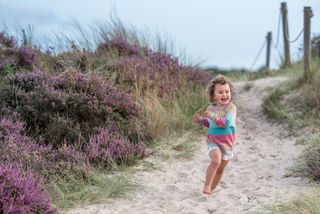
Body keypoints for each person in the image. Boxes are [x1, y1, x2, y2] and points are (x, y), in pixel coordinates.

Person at [193, 74, 237, 196]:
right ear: (213, 95)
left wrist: (211, 116)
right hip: (213, 140)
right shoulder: (210, 108)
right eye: (220, 92)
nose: (224, 94)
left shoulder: (231, 108)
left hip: (228, 143)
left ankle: (211, 190)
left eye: (227, 91)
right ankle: (206, 185)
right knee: (216, 161)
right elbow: (211, 123)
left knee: (220, 169)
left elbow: (226, 123)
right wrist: (201, 120)